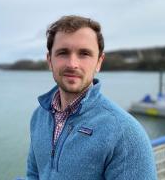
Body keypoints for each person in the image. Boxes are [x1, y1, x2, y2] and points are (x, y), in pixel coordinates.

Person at [26, 15, 157, 180]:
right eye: (63, 53)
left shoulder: (125, 134)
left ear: (99, 62)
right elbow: (33, 174)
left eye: (84, 53)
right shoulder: (39, 116)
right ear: (49, 60)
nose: (72, 64)